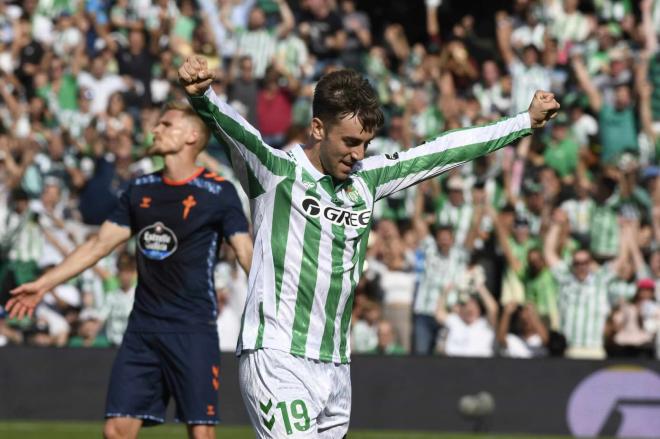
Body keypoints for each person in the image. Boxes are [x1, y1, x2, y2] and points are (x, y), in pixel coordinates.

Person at [179, 55, 559, 438]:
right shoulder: (275, 172)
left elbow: (445, 150)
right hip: (277, 354)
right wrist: (202, 94)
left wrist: (523, 122)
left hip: (336, 365)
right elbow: (231, 126)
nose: (358, 154)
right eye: (349, 142)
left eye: (365, 144)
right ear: (317, 128)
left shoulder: (368, 180)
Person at [5, 101, 253, 439]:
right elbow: (98, 245)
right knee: (116, 431)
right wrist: (43, 284)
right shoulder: (140, 189)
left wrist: (280, 305)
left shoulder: (218, 192)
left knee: (201, 434)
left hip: (192, 328)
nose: (155, 129)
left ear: (192, 135)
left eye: (166, 125)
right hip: (142, 330)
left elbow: (245, 252)